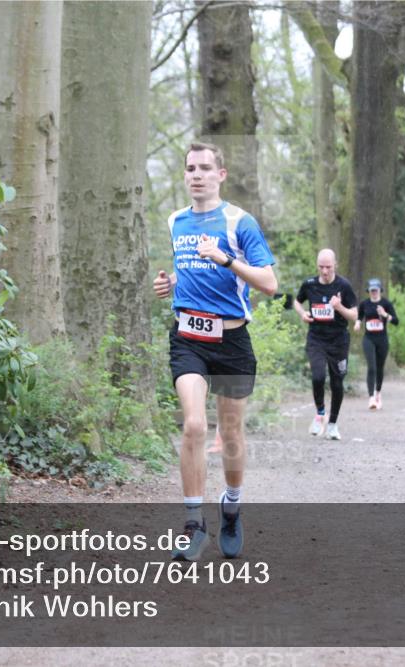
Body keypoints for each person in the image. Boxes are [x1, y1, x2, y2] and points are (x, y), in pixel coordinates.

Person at [153, 141, 277, 561]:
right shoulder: (175, 221)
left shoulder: (239, 222)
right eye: (190, 168)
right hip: (188, 337)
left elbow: (269, 283)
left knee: (231, 435)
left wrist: (226, 260)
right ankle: (193, 524)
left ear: (220, 175)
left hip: (232, 341)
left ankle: (231, 505)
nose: (197, 175)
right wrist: (171, 284)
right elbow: (189, 268)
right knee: (192, 425)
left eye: (206, 168)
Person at [293, 249, 357, 441]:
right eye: (321, 267)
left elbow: (354, 315)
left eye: (328, 267)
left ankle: (333, 425)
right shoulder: (310, 284)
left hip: (338, 341)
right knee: (318, 376)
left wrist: (339, 307)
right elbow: (297, 302)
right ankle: (320, 413)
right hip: (316, 339)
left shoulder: (344, 286)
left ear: (335, 265)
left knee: (337, 383)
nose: (325, 271)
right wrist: (302, 313)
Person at [353, 278, 399, 410]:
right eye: (371, 290)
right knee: (371, 367)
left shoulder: (386, 303)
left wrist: (385, 314)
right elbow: (359, 316)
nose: (374, 292)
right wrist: (357, 323)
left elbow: (396, 321)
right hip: (369, 338)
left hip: (382, 340)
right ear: (368, 291)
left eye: (376, 290)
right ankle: (371, 398)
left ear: (380, 290)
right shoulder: (364, 304)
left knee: (379, 368)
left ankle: (378, 393)